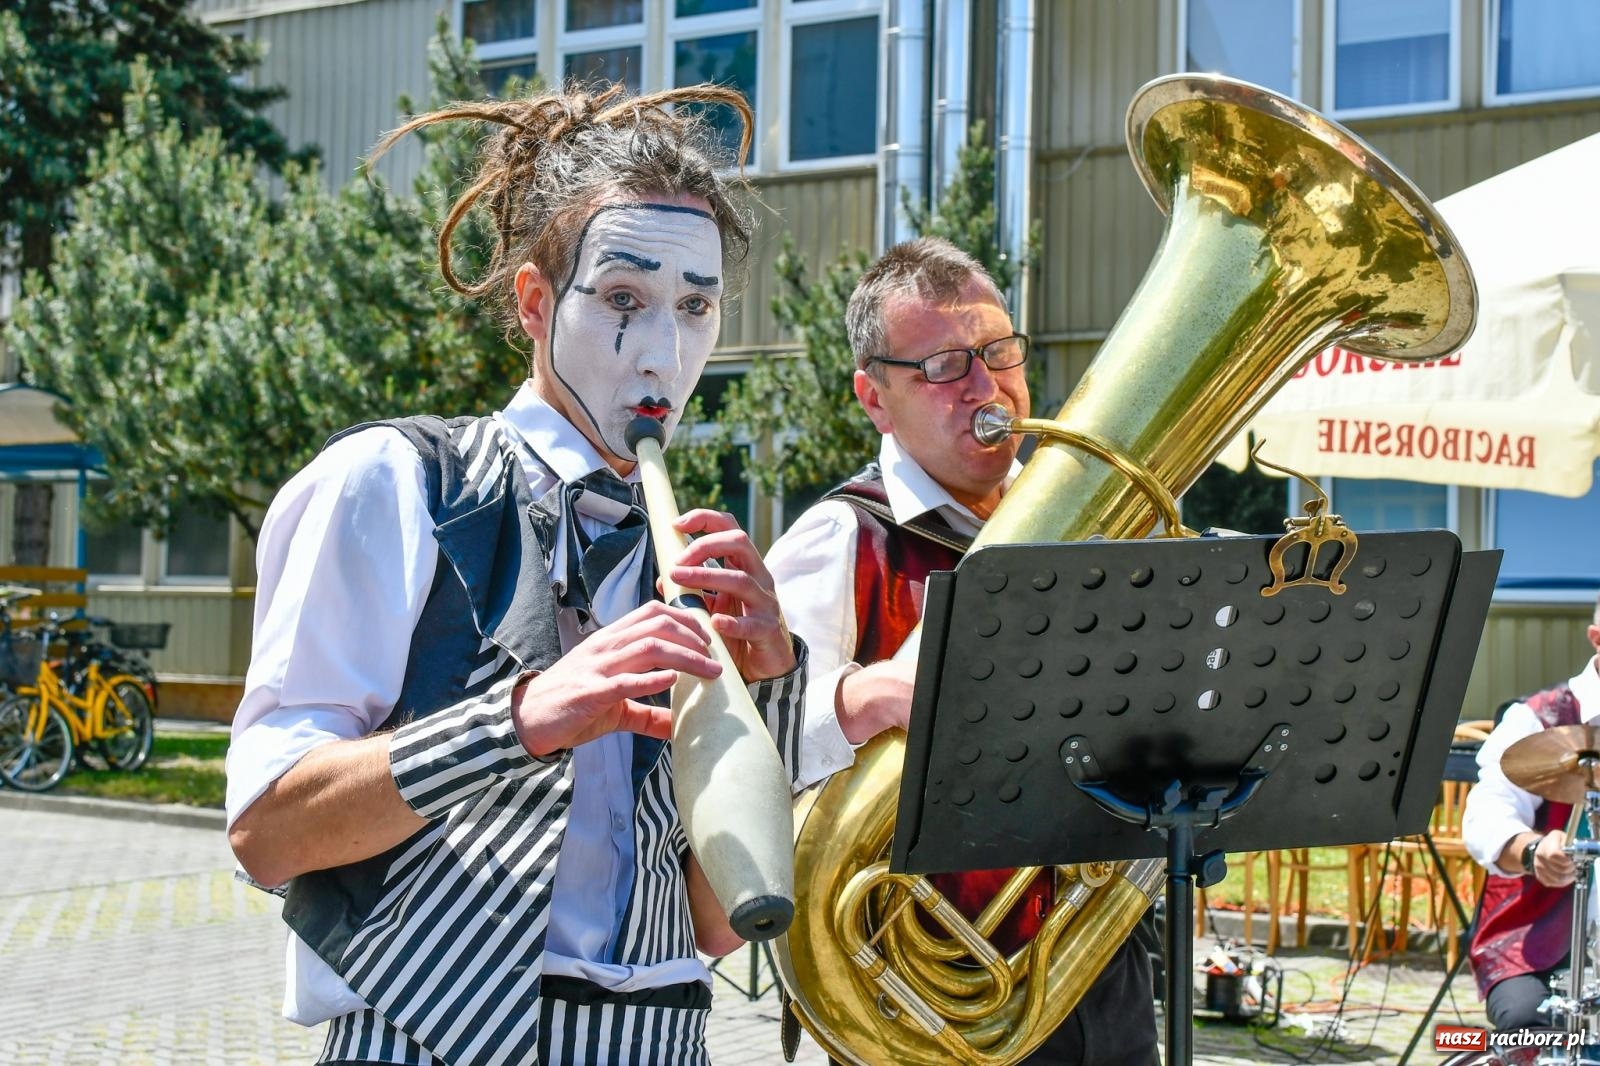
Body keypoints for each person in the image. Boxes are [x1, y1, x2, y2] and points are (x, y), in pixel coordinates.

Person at [225, 83, 809, 1066]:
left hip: (662, 1041)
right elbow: (268, 831)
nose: (664, 356)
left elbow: (716, 925)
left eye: (695, 306)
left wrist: (771, 693)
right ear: (536, 302)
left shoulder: (680, 562)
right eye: (622, 299)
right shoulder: (395, 482)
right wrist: (519, 717)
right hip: (425, 1043)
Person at [767, 236, 1158, 1066]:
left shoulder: (1089, 531)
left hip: (1100, 970)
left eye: (999, 352)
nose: (988, 387)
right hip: (924, 1006)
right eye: (945, 367)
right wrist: (858, 700)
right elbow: (752, 751)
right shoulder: (840, 539)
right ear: (875, 399)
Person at [1463, 594, 1600, 1032]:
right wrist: (1533, 850)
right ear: (1597, 638)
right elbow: (1487, 813)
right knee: (1529, 1024)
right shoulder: (1538, 717)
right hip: (1540, 943)